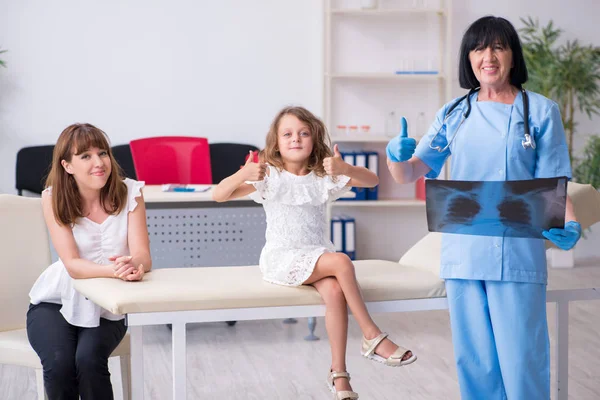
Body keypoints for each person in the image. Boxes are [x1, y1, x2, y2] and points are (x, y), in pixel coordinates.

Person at [386, 16, 581, 399]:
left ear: (512, 56)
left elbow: (555, 186)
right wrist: (397, 156)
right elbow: (410, 174)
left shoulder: (541, 111)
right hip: (464, 253)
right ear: (469, 58)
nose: (488, 57)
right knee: (475, 363)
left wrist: (571, 225)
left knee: (522, 358)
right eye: (478, 48)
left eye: (497, 47)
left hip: (518, 252)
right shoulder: (454, 113)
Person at [213, 106, 416, 400]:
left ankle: (339, 376)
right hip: (283, 259)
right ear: (276, 142)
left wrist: (346, 169)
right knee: (342, 260)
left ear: (314, 139)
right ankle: (372, 335)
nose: (296, 139)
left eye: (303, 133)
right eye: (288, 134)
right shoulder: (269, 176)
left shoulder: (323, 176)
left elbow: (372, 180)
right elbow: (218, 194)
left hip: (317, 258)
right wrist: (242, 174)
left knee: (334, 292)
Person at [27, 123, 152, 399]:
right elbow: (72, 264)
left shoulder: (131, 192)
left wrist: (135, 266)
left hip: (108, 307)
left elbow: (143, 254)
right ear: (67, 166)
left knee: (88, 361)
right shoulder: (52, 197)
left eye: (103, 153)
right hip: (55, 303)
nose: (99, 163)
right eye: (85, 156)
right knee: (59, 364)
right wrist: (114, 270)